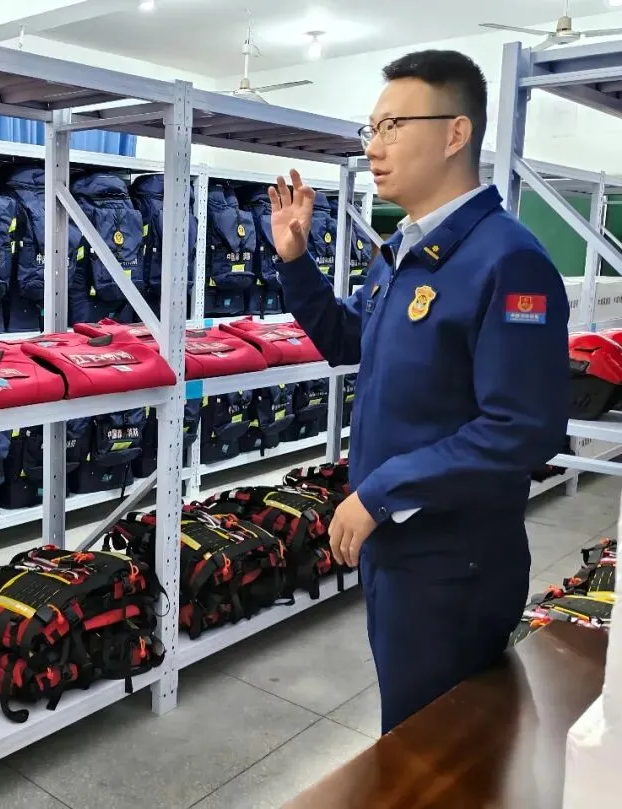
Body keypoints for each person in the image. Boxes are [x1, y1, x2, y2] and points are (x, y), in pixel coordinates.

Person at [266, 50, 570, 734]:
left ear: (456, 133)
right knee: (416, 735)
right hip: (399, 551)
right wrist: (295, 264)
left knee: (433, 746)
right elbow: (348, 339)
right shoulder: (405, 251)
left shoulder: (508, 260)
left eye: (393, 127)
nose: (373, 148)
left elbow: (524, 427)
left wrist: (382, 490)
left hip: (453, 563)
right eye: (370, 129)